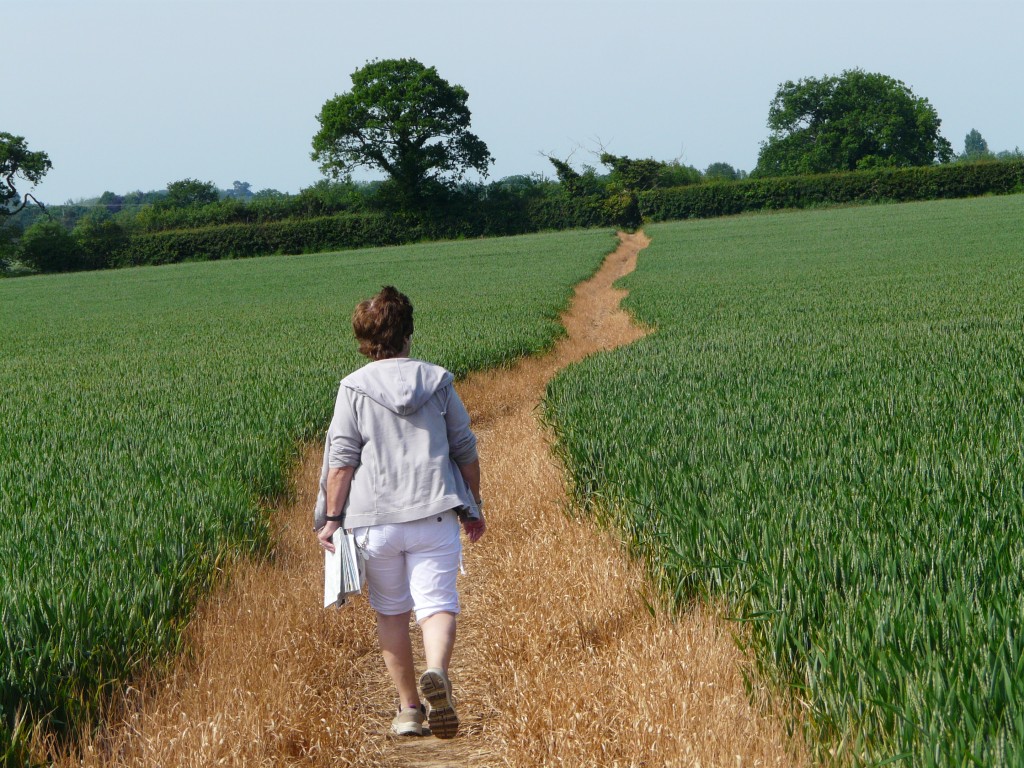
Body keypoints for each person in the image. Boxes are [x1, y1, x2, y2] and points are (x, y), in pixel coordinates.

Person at [314, 285, 485, 739]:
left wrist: (331, 520)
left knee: (391, 613)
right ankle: (438, 672)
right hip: (434, 513)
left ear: (364, 341)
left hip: (375, 522)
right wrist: (474, 505)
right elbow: (464, 446)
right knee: (437, 605)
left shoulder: (352, 388)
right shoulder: (439, 381)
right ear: (408, 333)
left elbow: (342, 460)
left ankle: (409, 709)